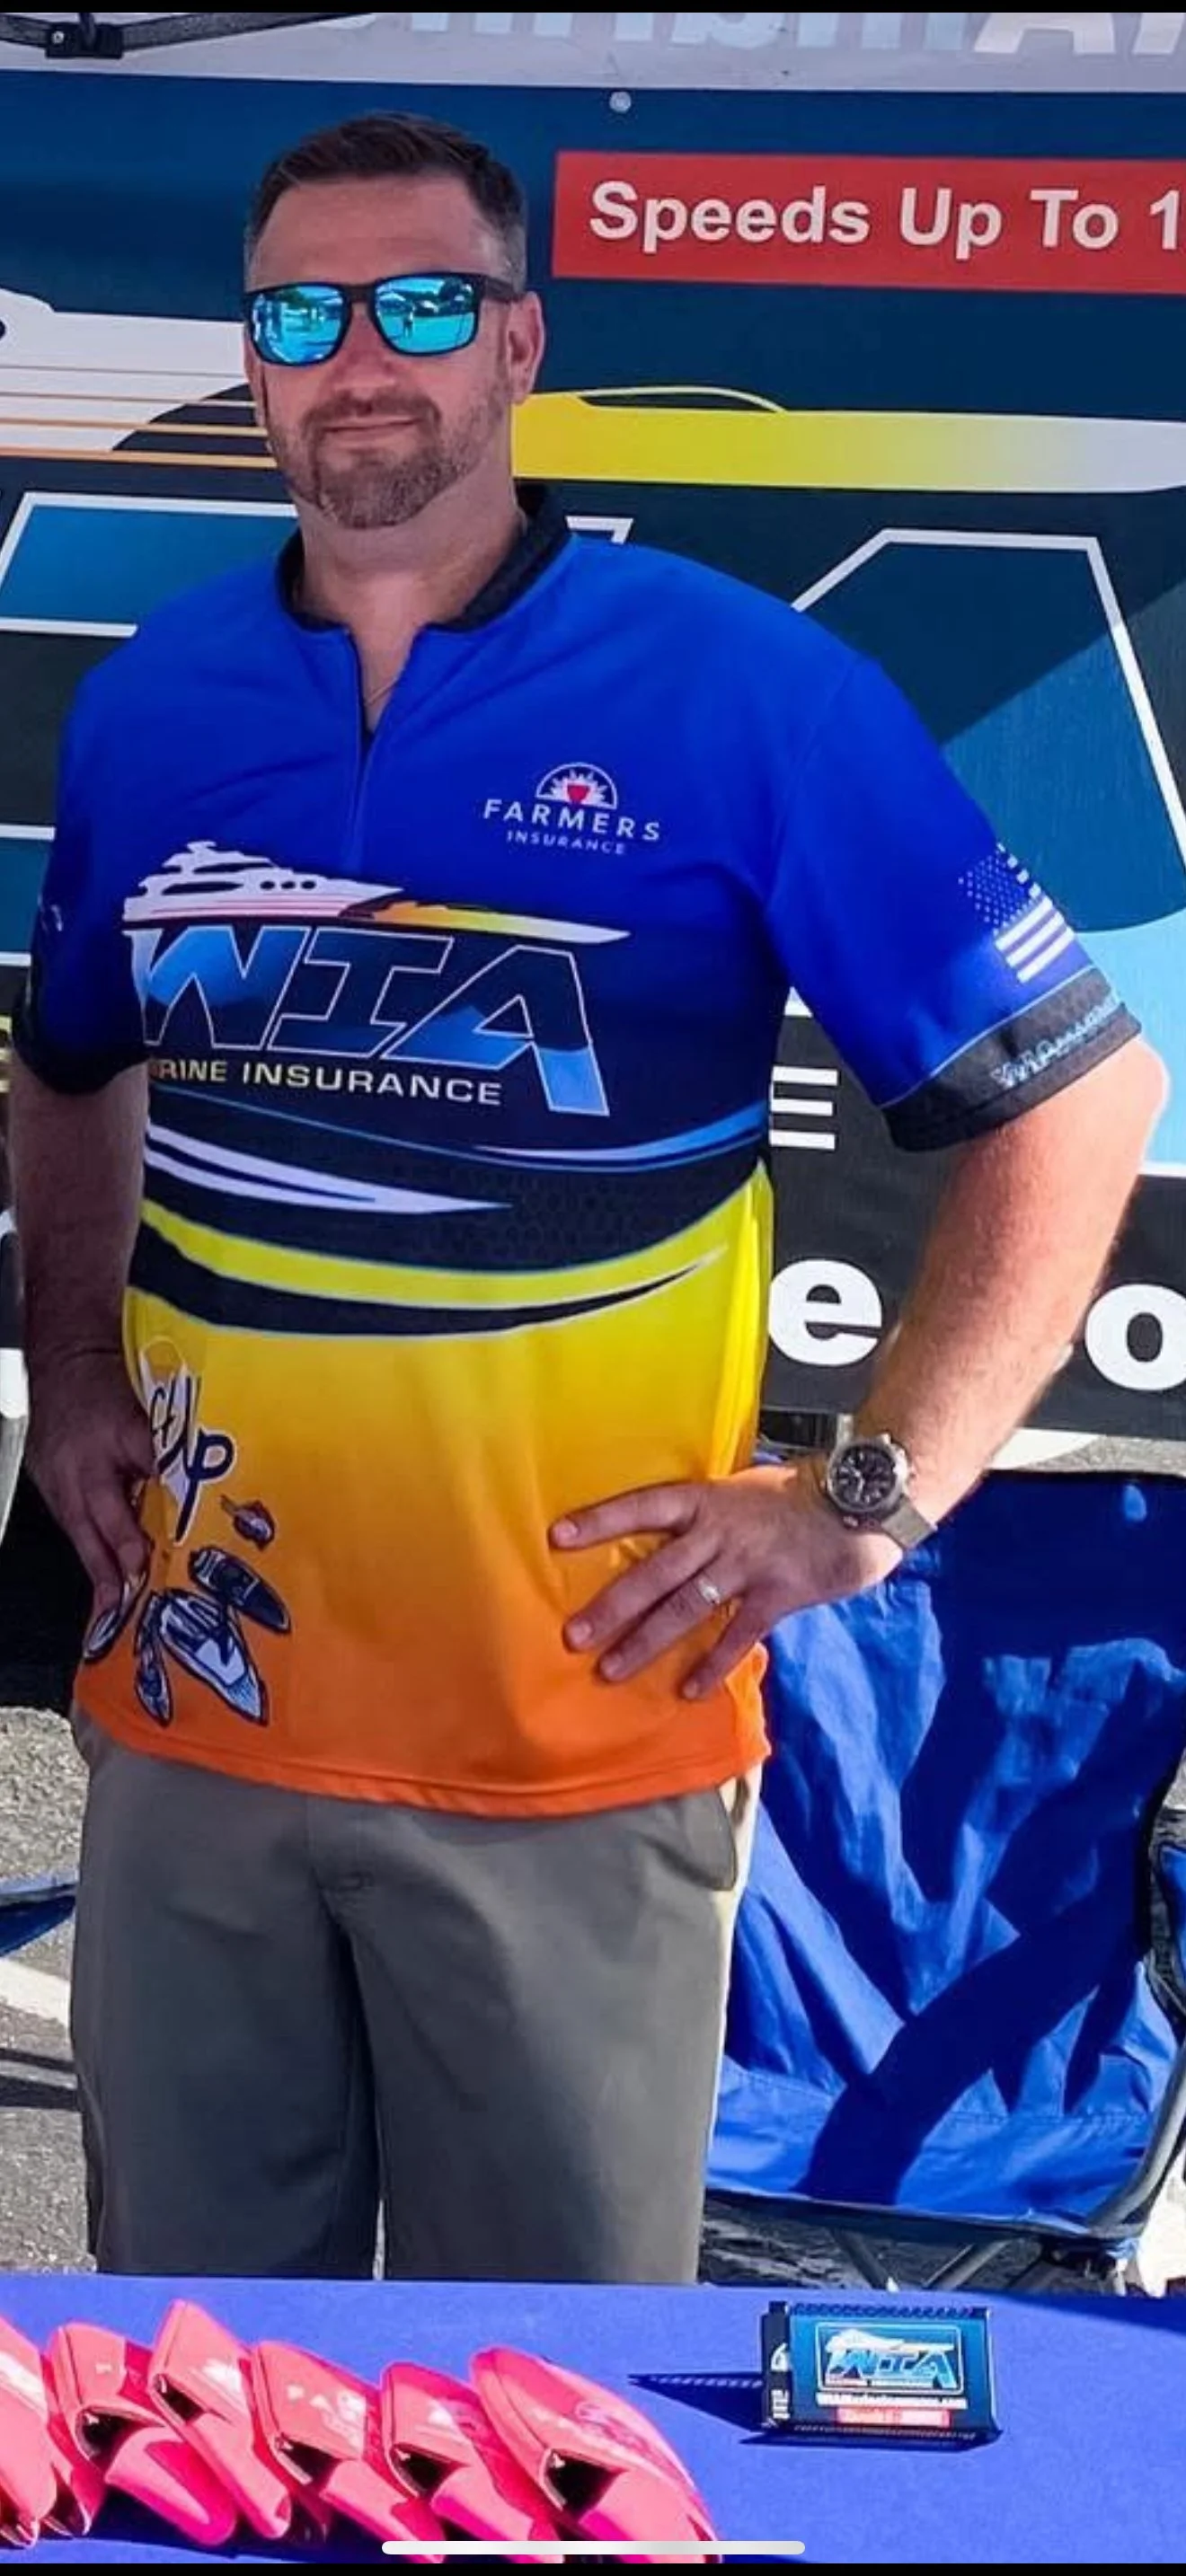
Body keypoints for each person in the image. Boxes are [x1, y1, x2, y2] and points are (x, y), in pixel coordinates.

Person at [10, 110, 1163, 2285]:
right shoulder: (155, 706)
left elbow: (1078, 1097)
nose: (361, 358)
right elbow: (72, 1071)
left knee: (538, 2413)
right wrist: (70, 1370)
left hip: (571, 1748)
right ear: (251, 364)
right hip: (194, 1719)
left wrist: (865, 1501)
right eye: (301, 314)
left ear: (519, 344)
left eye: (421, 304)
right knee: (190, 2387)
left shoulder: (741, 693)